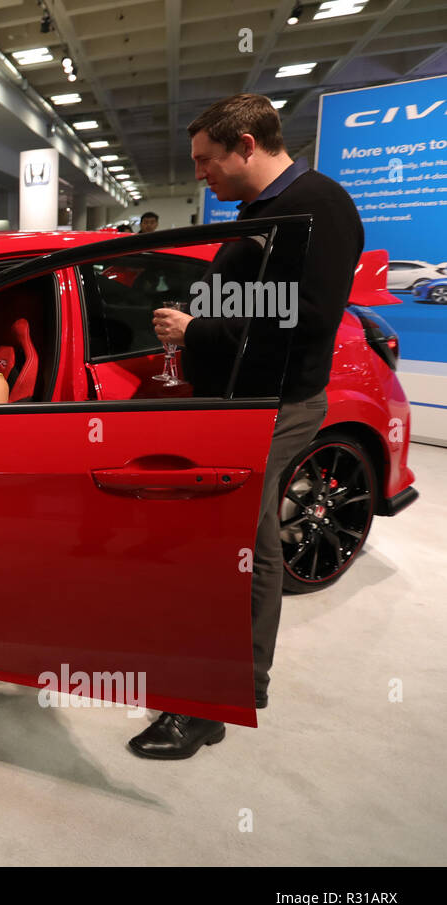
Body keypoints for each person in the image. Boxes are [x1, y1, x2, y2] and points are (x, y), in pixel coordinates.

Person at [132, 92, 364, 759]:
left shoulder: (318, 209)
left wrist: (198, 329)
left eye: (207, 161)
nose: (200, 174)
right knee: (252, 547)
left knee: (223, 550)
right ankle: (239, 684)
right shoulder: (262, 212)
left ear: (246, 146)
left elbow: (308, 320)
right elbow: (261, 303)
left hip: (272, 407)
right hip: (241, 404)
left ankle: (204, 705)